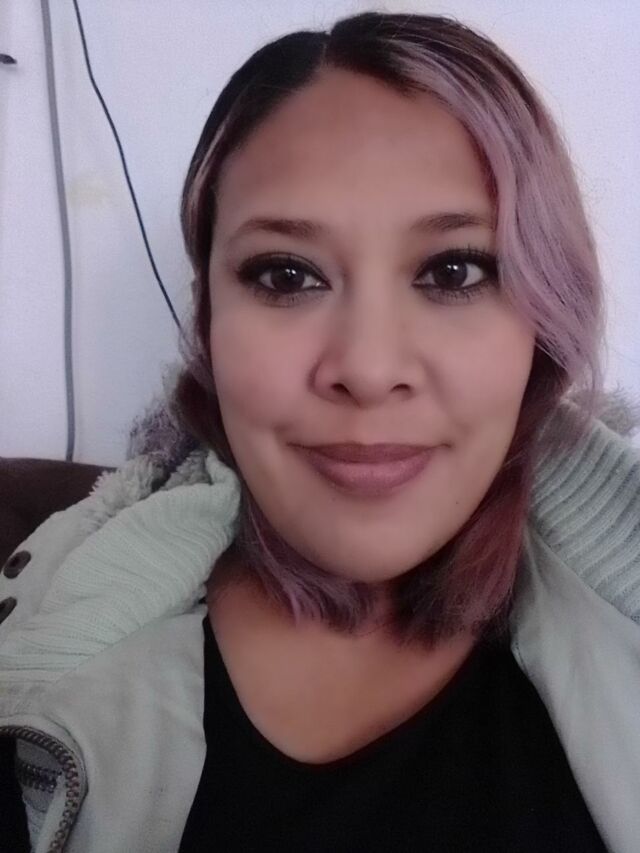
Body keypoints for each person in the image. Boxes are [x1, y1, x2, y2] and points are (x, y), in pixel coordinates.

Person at [1, 10, 639, 853]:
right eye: (286, 275)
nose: (368, 369)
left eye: (453, 270)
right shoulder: (49, 644)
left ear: (543, 322)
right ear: (208, 318)